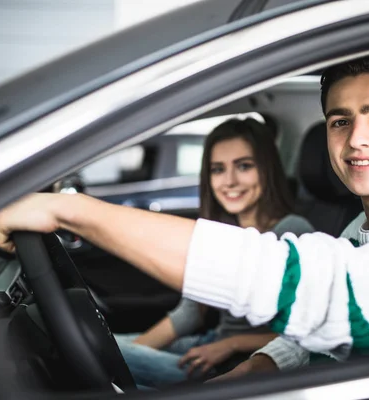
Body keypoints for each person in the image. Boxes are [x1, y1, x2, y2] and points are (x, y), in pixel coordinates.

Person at [0, 48, 369, 371]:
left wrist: (69, 211)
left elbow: (323, 296)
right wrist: (254, 368)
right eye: (340, 121)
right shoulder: (360, 230)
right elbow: (306, 340)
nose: (357, 140)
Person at [112, 118, 313, 388]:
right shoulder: (223, 230)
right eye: (218, 169)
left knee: (99, 356)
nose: (229, 181)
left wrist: (233, 344)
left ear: (267, 169)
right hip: (209, 346)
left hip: (240, 363)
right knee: (100, 346)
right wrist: (136, 351)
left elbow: (309, 332)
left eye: (244, 166)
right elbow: (190, 313)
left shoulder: (293, 231)